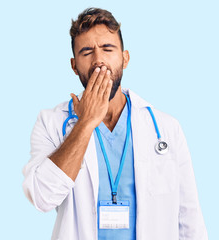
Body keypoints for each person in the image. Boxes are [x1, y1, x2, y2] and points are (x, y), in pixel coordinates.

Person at [22, 7, 208, 240]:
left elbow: (189, 218)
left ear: (125, 58)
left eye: (108, 48)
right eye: (87, 51)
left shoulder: (166, 128)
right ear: (74, 65)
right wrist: (86, 123)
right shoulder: (50, 122)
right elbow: (42, 198)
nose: (98, 60)